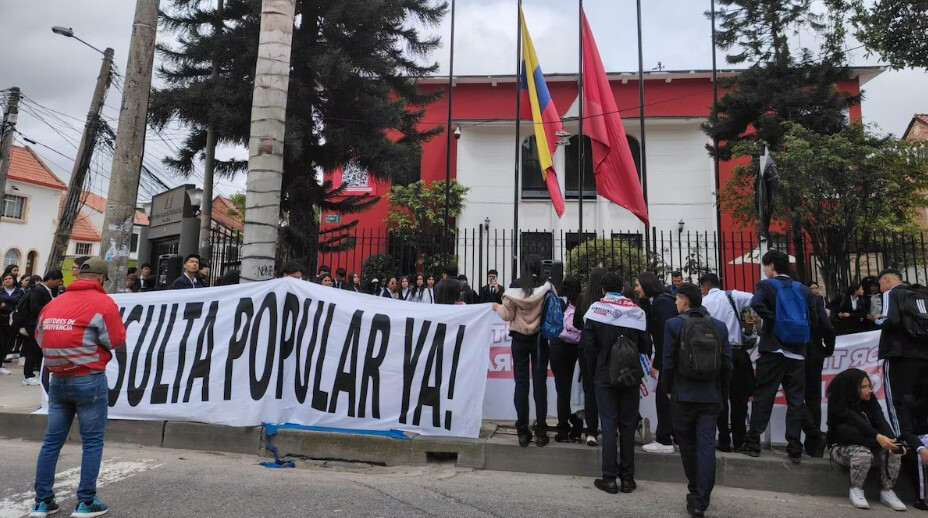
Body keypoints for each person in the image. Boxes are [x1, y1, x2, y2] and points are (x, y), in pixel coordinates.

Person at [29, 258, 127, 518]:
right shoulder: (103, 303)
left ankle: (42, 502)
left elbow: (40, 337)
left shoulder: (54, 303)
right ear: (101, 279)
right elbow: (116, 339)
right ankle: (86, 502)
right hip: (89, 379)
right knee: (92, 442)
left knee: (51, 443)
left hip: (57, 379)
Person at [737, 250, 829, 463]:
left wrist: (775, 320)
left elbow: (756, 304)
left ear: (770, 265)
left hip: (773, 350)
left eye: (765, 266)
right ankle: (795, 446)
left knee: (764, 397)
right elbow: (814, 320)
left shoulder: (766, 286)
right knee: (796, 400)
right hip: (798, 352)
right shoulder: (804, 290)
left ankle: (753, 444)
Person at [663, 283, 732, 517]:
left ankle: (694, 489)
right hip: (711, 396)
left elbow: (668, 361)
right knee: (706, 446)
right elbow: (727, 364)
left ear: (684, 300)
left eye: (676, 299)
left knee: (687, 446)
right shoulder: (719, 327)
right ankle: (701, 500)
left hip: (683, 395)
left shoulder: (673, 325)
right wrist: (722, 394)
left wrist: (668, 389)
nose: (674, 303)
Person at [582, 272, 651, 494]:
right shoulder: (636, 312)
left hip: (604, 374)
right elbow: (645, 347)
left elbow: (588, 347)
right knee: (628, 425)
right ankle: (628, 479)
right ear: (621, 289)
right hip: (630, 375)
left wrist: (594, 372)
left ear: (603, 290)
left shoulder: (595, 311)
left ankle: (609, 478)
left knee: (609, 424)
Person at [493, 254, 554, 447]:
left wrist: (496, 306)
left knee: (521, 383)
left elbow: (507, 314)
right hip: (540, 340)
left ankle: (522, 431)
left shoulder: (514, 287)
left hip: (519, 340)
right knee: (540, 384)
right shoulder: (547, 287)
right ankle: (542, 432)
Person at [826, 368, 907, 511]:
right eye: (864, 387)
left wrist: (894, 442)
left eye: (869, 386)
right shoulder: (839, 407)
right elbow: (852, 432)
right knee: (863, 453)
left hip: (870, 445)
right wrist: (878, 438)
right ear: (851, 389)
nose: (869, 390)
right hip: (842, 448)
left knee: (894, 451)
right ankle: (856, 490)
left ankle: (887, 491)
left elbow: (881, 421)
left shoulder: (871, 401)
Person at [698, 273, 756, 453]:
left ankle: (723, 439)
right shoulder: (733, 296)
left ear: (704, 286)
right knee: (740, 399)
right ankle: (739, 439)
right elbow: (755, 299)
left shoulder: (704, 303)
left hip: (716, 354)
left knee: (719, 399)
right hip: (738, 353)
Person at [877, 268, 928, 436]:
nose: (879, 287)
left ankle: (904, 439)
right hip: (923, 352)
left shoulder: (891, 294)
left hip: (900, 353)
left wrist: (878, 321)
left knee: (899, 399)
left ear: (887, 280)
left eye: (880, 283)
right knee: (921, 397)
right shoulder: (920, 293)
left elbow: (891, 319)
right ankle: (923, 437)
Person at [636, 272, 678, 454]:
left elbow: (664, 338)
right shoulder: (660, 301)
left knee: (664, 397)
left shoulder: (662, 303)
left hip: (669, 359)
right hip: (668, 358)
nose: (636, 288)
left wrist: (657, 364)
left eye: (638, 285)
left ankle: (664, 439)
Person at [800, 280, 837, 458]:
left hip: (795, 351)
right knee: (813, 397)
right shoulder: (815, 300)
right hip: (815, 352)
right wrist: (828, 348)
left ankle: (810, 435)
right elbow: (828, 327)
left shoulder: (790, 297)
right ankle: (813, 442)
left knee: (796, 396)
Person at [573, 267, 607, 447]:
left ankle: (591, 431)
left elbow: (576, 322)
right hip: (605, 349)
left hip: (585, 348)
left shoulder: (582, 298)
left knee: (589, 390)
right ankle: (609, 428)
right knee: (607, 389)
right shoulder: (606, 301)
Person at [549, 275, 584, 443]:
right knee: (576, 388)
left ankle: (563, 429)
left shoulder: (557, 301)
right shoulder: (582, 301)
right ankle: (577, 428)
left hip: (558, 346)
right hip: (577, 348)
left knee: (562, 390)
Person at [16, 270, 63, 386]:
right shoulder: (38, 290)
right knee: (32, 350)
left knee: (39, 351)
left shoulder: (52, 290)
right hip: (34, 325)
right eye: (58, 281)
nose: (59, 283)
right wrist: (51, 310)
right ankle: (28, 375)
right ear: (51, 279)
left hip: (44, 325)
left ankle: (40, 374)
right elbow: (34, 307)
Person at [900, 371, 928, 510]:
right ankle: (922, 499)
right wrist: (920, 447)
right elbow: (906, 431)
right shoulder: (910, 400)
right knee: (918, 455)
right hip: (917, 441)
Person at [0, 272, 25, 375]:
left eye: (9, 278)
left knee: (8, 342)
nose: (7, 280)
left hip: (13, 320)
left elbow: (22, 304)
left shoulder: (19, 292)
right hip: (1, 319)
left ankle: (2, 361)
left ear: (14, 279)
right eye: (5, 279)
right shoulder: (1, 291)